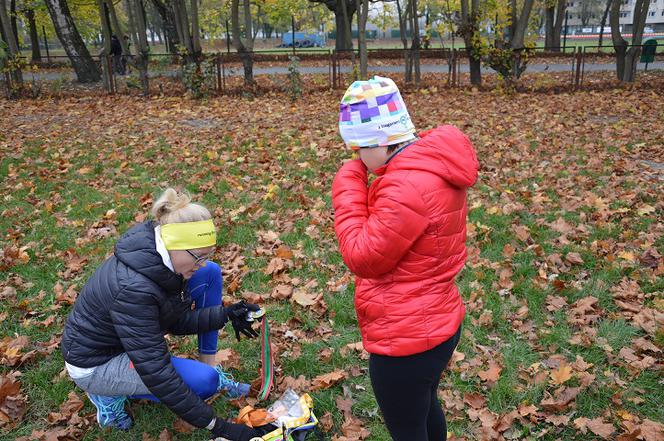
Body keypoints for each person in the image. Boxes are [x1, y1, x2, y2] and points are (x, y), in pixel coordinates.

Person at [332, 76, 478, 441]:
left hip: (407, 336)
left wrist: (348, 185)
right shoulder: (429, 169)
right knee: (424, 407)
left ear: (379, 141)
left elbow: (362, 256)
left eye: (356, 149)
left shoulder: (406, 185)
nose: (356, 158)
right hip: (436, 319)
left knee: (408, 428)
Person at [61, 188, 263, 441]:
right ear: (174, 245)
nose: (201, 263)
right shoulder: (135, 290)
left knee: (209, 273)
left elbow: (174, 322)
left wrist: (226, 314)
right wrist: (218, 426)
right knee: (204, 383)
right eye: (198, 257)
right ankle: (107, 393)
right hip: (97, 364)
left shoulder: (161, 259)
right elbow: (158, 373)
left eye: (207, 255)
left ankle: (207, 367)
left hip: (125, 341)